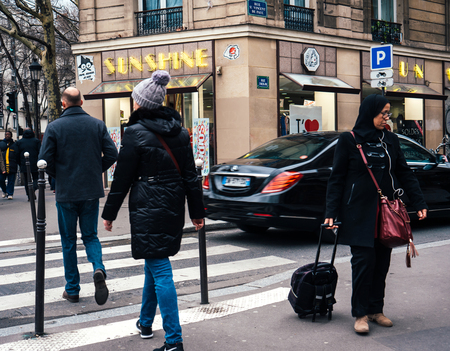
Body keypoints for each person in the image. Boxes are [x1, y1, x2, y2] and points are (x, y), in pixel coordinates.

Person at [101, 70, 205, 351]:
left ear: (141, 103)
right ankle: (145, 323)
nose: (133, 102)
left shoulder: (134, 133)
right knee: (154, 261)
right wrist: (197, 212)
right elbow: (190, 176)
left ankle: (174, 340)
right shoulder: (180, 132)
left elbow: (122, 176)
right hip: (172, 204)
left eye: (134, 99)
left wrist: (109, 213)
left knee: (160, 268)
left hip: (148, 204)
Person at [324, 94, 428, 334]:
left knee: (381, 263)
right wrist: (331, 211)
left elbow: (404, 171)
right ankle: (360, 314)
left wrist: (418, 201)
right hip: (358, 213)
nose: (386, 117)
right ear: (369, 112)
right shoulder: (349, 140)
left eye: (388, 113)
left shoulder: (390, 139)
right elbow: (336, 179)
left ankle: (375, 310)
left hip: (387, 212)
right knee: (363, 264)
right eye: (383, 113)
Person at [39, 87, 118, 305]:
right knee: (90, 236)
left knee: (68, 241)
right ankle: (98, 268)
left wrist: (61, 175)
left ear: (63, 104)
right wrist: (95, 171)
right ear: (82, 102)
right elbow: (112, 154)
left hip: (66, 192)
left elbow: (44, 160)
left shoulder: (54, 127)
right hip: (90, 190)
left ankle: (72, 289)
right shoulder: (97, 125)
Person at [15, 128, 41, 200]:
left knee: (27, 180)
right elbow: (40, 152)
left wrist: (19, 163)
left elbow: (16, 153)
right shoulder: (36, 141)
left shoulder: (19, 142)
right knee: (36, 177)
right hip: (35, 162)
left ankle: (29, 195)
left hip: (24, 163)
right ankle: (34, 187)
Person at [0, 130, 18, 199]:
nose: (7, 135)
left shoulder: (14, 144)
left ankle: (10, 193)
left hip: (12, 166)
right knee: (1, 180)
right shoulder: (1, 144)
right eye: (6, 134)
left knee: (11, 181)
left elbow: (17, 154)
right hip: (2, 166)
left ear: (11, 136)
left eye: (8, 134)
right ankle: (5, 191)